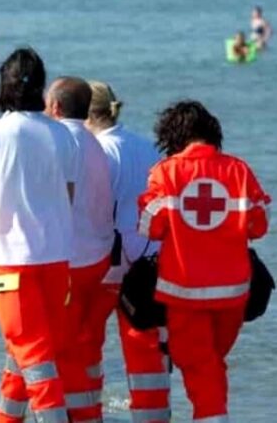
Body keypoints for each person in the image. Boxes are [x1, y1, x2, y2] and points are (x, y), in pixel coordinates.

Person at [139, 100, 270, 422]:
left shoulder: (166, 173)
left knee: (199, 365)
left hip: (185, 293)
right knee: (211, 364)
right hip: (233, 294)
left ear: (172, 138)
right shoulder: (239, 170)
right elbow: (260, 225)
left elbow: (150, 227)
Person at [0, 48, 75, 423]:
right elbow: (69, 195)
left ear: (3, 84)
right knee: (28, 351)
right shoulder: (63, 134)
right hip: (57, 256)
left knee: (32, 353)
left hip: (12, 260)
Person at [85, 81, 171, 423]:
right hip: (150, 263)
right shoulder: (146, 146)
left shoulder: (97, 152)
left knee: (86, 346)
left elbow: (91, 210)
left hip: (110, 264)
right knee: (148, 352)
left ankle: (86, 414)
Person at [44, 77, 117, 422]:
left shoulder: (62, 141)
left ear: (56, 107)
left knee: (60, 349)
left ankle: (80, 414)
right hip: (97, 257)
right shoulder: (93, 142)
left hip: (71, 260)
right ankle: (85, 411)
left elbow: (56, 201)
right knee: (81, 347)